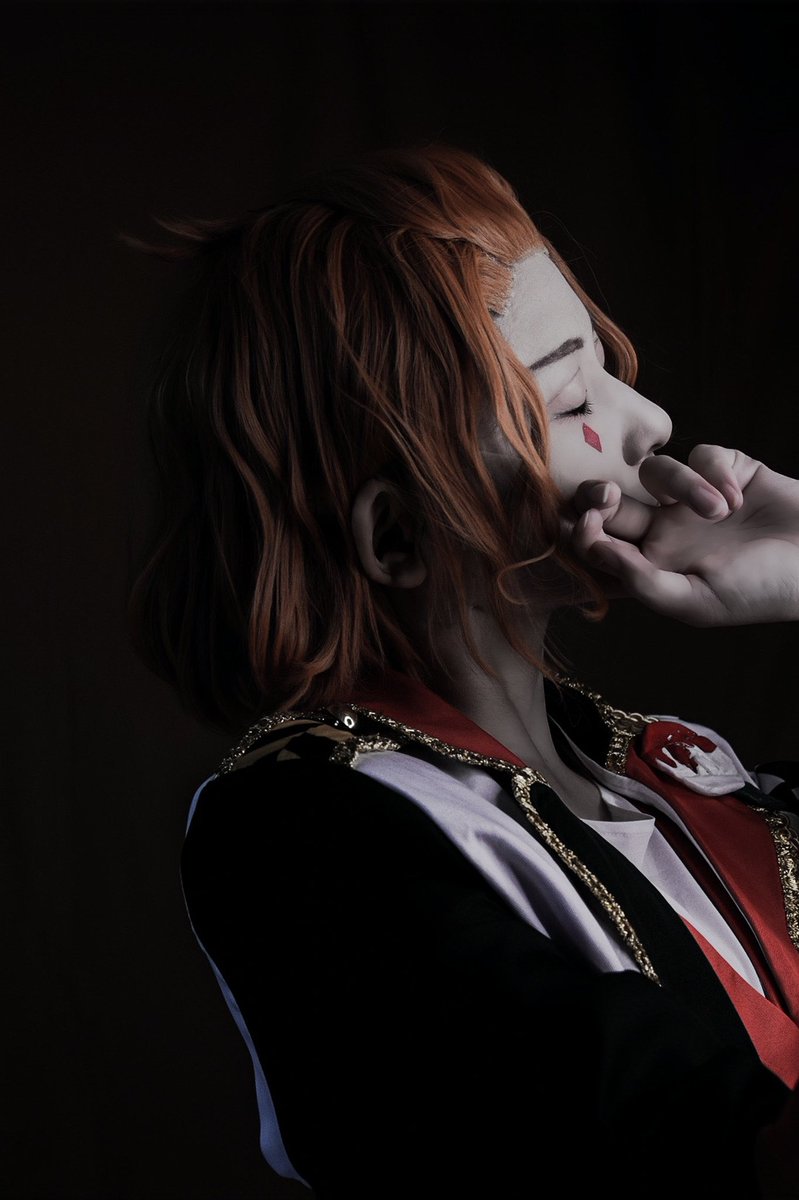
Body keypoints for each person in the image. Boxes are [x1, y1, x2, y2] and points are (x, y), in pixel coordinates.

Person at [128, 143, 799, 1197]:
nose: (651, 422)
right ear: (398, 534)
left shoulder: (676, 773)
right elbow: (692, 1148)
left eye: (608, 368)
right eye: (570, 397)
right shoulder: (299, 832)